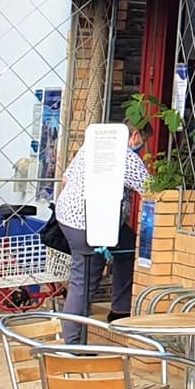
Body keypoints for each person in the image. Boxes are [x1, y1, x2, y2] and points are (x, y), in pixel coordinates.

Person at [54, 125, 150, 343]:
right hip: (91, 223)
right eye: (142, 141)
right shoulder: (127, 158)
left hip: (69, 217)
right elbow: (151, 190)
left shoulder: (91, 146)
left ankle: (120, 309)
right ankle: (73, 343)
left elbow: (65, 179)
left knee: (127, 244)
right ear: (134, 136)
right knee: (84, 279)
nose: (141, 147)